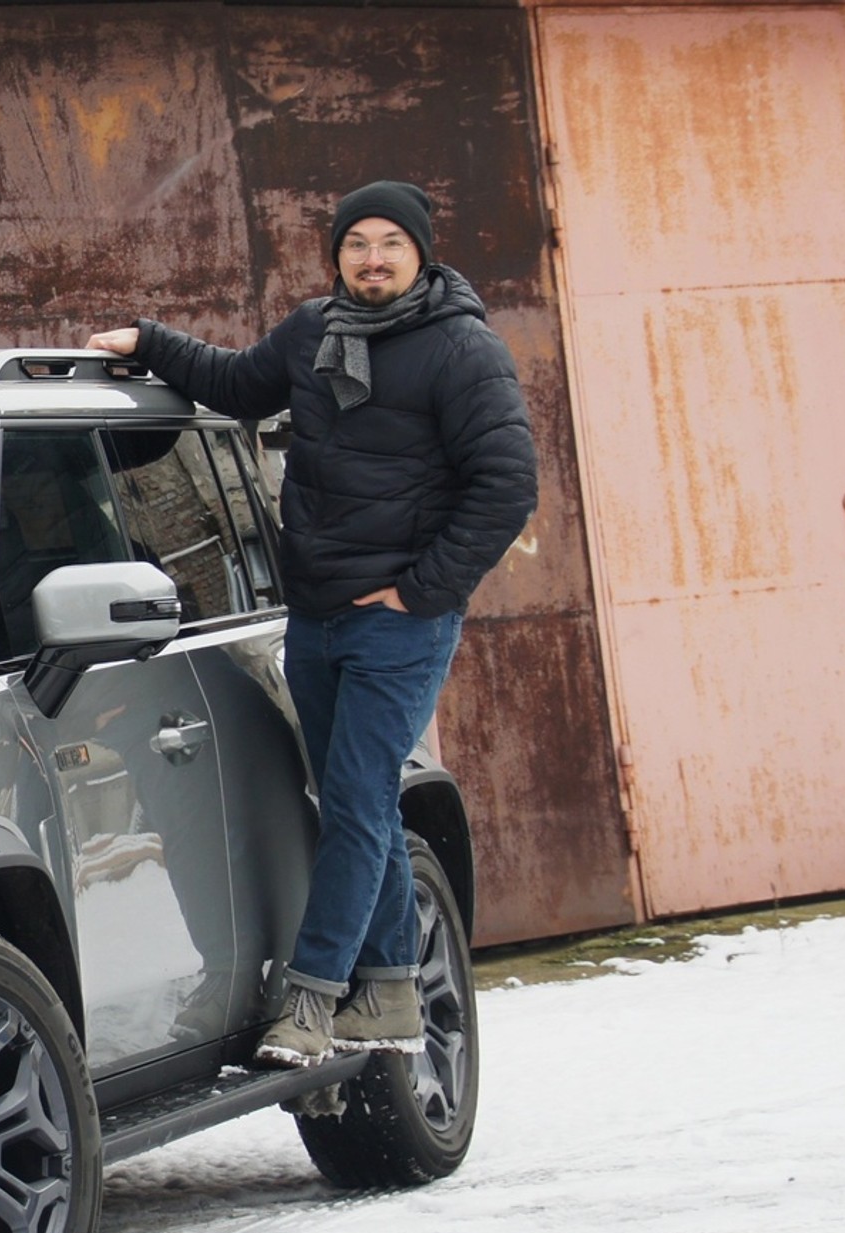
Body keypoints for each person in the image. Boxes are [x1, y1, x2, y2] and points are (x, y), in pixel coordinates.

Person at [86, 179, 538, 1067]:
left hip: (397, 626)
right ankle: (396, 995)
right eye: (356, 243)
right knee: (349, 802)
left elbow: (507, 485)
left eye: (390, 245)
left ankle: (315, 999)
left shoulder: (461, 349)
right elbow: (237, 385)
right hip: (319, 620)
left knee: (360, 803)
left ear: (421, 254)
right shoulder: (313, 332)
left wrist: (422, 591)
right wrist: (150, 343)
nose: (373, 259)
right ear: (336, 255)